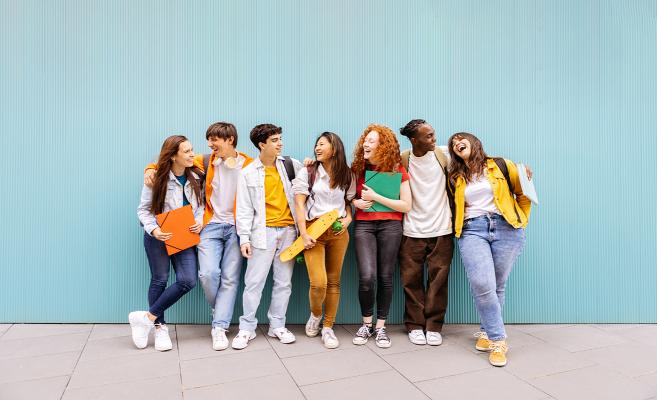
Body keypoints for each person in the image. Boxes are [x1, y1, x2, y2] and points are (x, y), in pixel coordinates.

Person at [145, 122, 254, 351]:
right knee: (207, 274)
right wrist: (149, 169)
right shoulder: (204, 162)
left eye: (214, 140)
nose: (210, 145)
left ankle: (219, 326)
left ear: (230, 140)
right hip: (209, 226)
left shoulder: (249, 165)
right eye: (209, 140)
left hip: (236, 227)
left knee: (230, 278)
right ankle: (217, 312)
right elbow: (166, 162)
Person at [448, 132, 531, 367]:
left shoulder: (502, 165)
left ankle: (485, 332)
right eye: (453, 144)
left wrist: (521, 219)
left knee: (497, 284)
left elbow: (523, 193)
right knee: (483, 284)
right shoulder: (455, 176)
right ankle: (498, 340)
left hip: (506, 228)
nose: (456, 144)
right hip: (472, 229)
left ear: (475, 143)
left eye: (461, 139)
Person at [232, 123, 302, 349]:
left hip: (289, 231)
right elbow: (243, 209)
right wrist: (244, 238)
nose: (280, 143)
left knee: (284, 283)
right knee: (254, 282)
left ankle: (277, 326)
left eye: (280, 138)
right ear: (261, 145)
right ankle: (247, 328)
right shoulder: (248, 173)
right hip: (262, 234)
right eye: (274, 140)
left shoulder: (292, 165)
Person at [131, 135, 204, 351]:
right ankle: (160, 327)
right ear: (173, 156)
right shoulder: (156, 179)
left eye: (192, 150)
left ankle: (146, 318)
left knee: (188, 280)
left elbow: (200, 207)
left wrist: (199, 222)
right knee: (159, 280)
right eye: (187, 151)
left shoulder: (197, 176)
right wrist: (154, 230)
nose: (193, 154)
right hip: (158, 236)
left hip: (184, 235)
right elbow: (143, 210)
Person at [292, 132, 356, 349]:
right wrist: (303, 233)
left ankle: (328, 327)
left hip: (338, 231)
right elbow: (299, 204)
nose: (317, 148)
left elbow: (348, 203)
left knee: (334, 281)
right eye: (316, 145)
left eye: (322, 145)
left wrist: (348, 219)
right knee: (319, 283)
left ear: (334, 149)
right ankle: (316, 315)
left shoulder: (347, 174)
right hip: (313, 230)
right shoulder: (308, 171)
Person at [350, 124, 412, 348]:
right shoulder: (357, 168)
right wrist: (355, 202)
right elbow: (348, 198)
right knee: (367, 277)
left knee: (386, 277)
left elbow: (406, 205)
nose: (365, 143)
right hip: (364, 226)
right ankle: (366, 324)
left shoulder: (398, 169)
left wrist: (376, 197)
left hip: (391, 226)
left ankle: (381, 327)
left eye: (372, 140)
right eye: (365, 139)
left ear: (383, 145)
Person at [398, 119, 454, 346]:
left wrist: (516, 168)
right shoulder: (403, 159)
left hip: (442, 229)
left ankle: (433, 326)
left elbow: (478, 159)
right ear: (414, 140)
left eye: (433, 134)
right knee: (411, 281)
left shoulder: (443, 155)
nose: (434, 139)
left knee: (438, 281)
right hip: (411, 230)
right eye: (428, 136)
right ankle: (414, 325)